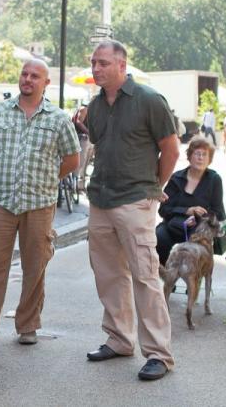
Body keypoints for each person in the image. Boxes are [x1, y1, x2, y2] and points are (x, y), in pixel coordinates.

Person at [0, 59, 79, 348]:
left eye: (35, 76)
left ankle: (28, 325)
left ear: (46, 83)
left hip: (39, 204)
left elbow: (72, 159)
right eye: (24, 74)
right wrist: (3, 171)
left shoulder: (58, 119)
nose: (28, 79)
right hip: (1, 203)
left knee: (35, 268)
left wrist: (49, 179)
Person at [84, 40, 178, 381]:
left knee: (145, 276)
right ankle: (120, 339)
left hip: (135, 200)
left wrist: (154, 188)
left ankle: (159, 354)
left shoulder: (149, 100)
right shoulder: (95, 107)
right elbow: (99, 145)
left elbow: (170, 149)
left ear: (122, 65)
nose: (96, 68)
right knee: (109, 275)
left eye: (103, 63)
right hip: (100, 200)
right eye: (94, 62)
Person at [155, 137, 224, 265]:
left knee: (198, 246)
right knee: (159, 237)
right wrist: (186, 211)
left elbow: (218, 213)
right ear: (190, 156)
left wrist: (200, 217)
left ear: (209, 159)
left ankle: (193, 283)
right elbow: (163, 209)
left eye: (205, 155)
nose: (200, 158)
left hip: (199, 229)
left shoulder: (214, 180)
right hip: (174, 225)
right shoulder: (177, 178)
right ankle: (169, 279)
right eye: (197, 154)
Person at [72, 102, 92, 190]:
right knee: (81, 162)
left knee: (85, 162)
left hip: (88, 139)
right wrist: (88, 132)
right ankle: (75, 184)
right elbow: (78, 121)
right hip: (82, 138)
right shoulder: (84, 108)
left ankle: (80, 185)